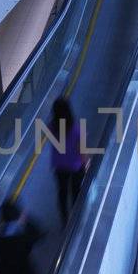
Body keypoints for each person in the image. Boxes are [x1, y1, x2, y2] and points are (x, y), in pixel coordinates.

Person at [48, 96, 88, 226]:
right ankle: (76, 220)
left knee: (62, 192)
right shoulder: (77, 130)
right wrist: (87, 164)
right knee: (76, 192)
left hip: (59, 165)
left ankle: (64, 220)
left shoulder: (51, 127)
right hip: (75, 166)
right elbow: (82, 152)